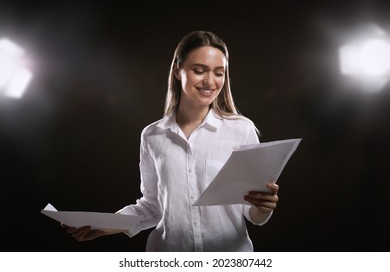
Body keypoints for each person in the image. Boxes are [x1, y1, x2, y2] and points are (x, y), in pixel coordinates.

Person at [64, 30, 279, 251]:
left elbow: (252, 211)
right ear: (178, 71)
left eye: (219, 73)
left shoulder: (241, 130)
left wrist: (263, 208)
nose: (210, 81)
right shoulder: (152, 135)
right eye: (199, 70)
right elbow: (153, 206)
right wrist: (104, 226)